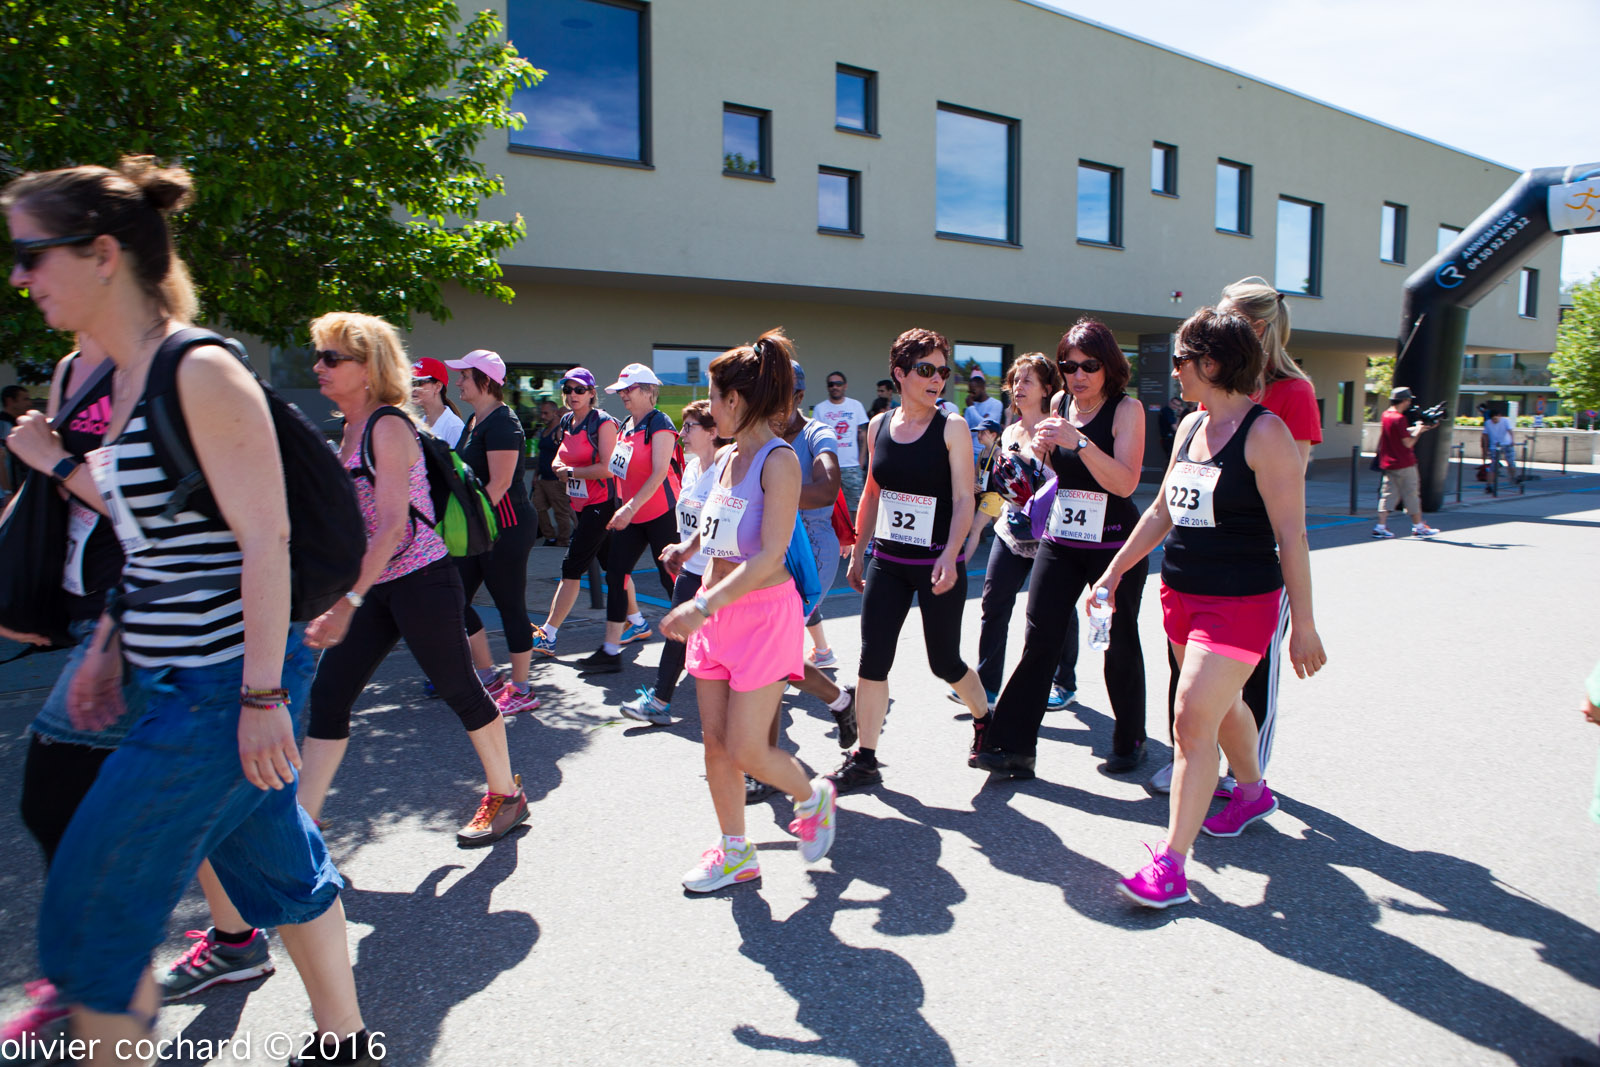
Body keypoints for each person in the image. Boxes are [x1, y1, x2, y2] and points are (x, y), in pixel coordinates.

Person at [6, 156, 378, 1066]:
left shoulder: (198, 369)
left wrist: (262, 698)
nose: (19, 276)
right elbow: (151, 542)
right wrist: (108, 641)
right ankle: (346, 1039)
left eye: (33, 254)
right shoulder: (119, 377)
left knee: (95, 911)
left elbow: (267, 540)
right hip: (164, 667)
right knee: (273, 860)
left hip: (221, 684)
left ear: (102, 254)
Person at [1091, 307, 1325, 908]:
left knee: (1191, 720)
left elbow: (1292, 536)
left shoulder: (1267, 435)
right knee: (1220, 711)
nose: (1174, 370)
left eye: (1182, 359)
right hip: (1181, 592)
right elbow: (1162, 510)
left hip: (1241, 600)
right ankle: (1253, 793)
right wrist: (1113, 573)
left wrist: (1303, 625)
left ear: (1213, 364)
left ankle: (1171, 866)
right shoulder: (1192, 425)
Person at [296, 313, 527, 843]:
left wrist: (346, 602)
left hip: (422, 580)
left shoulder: (388, 426)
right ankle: (303, 825)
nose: (318, 367)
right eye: (318, 356)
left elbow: (394, 525)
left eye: (331, 357)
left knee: (460, 689)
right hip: (376, 585)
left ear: (367, 368)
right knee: (329, 696)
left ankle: (506, 795)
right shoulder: (350, 429)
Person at [659, 330, 838, 892]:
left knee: (746, 748)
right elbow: (719, 524)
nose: (708, 409)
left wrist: (702, 603)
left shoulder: (778, 460)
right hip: (715, 616)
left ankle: (812, 796)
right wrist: (688, 549)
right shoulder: (726, 456)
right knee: (715, 744)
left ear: (734, 400)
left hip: (761, 616)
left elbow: (767, 556)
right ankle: (735, 851)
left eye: (713, 398)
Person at [973, 320, 1148, 778]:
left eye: (1089, 365)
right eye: (1069, 367)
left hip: (1113, 543)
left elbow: (1125, 483)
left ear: (1109, 365)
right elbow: (1053, 467)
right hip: (1062, 537)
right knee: (1040, 636)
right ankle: (1012, 746)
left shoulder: (1127, 410)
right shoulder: (1060, 404)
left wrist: (1080, 442)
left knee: (1118, 640)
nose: (1078, 375)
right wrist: (1037, 452)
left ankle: (1130, 739)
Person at [831, 328, 988, 793]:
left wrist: (951, 553)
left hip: (937, 563)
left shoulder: (952, 427)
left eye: (943, 371)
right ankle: (865, 757)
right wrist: (858, 551)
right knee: (872, 659)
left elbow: (965, 498)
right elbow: (872, 493)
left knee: (945, 662)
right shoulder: (879, 425)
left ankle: (986, 718)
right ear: (899, 373)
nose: (937, 379)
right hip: (888, 559)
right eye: (926, 370)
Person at [952, 353, 1080, 710]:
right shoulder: (1009, 431)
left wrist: (1049, 460)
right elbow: (1002, 486)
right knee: (994, 603)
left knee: (1057, 611)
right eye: (1015, 381)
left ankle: (1063, 682)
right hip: (1010, 532)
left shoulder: (1058, 432)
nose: (1018, 387)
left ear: (1046, 389)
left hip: (1051, 538)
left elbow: (1072, 481)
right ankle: (987, 686)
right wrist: (980, 518)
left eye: (1027, 381)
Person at [448, 349, 540, 714]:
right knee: (454, 598)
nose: (458, 382)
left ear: (484, 381)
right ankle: (488, 676)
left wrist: (464, 525)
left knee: (510, 606)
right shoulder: (475, 419)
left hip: (507, 527)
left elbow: (499, 484)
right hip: (480, 527)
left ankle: (522, 689)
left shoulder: (504, 422)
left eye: (464, 376)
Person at [618, 400, 722, 724]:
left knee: (731, 644)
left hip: (721, 573)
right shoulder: (690, 469)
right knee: (677, 633)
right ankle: (659, 701)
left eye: (689, 427)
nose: (682, 433)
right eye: (682, 426)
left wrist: (687, 548)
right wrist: (678, 548)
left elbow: (720, 523)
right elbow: (688, 520)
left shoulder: (726, 471)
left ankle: (784, 684)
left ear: (713, 432)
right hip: (691, 571)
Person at [576, 363, 679, 674]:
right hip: (631, 515)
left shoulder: (660, 422)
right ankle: (610, 650)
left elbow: (659, 472)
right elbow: (618, 471)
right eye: (620, 390)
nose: (623, 395)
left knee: (671, 579)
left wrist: (629, 508)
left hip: (661, 513)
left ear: (648, 391)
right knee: (616, 575)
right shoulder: (625, 426)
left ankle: (699, 642)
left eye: (629, 389)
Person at [531, 368, 638, 656]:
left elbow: (608, 468)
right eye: (568, 390)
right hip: (582, 504)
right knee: (614, 567)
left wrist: (571, 473)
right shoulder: (567, 421)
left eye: (579, 389)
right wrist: (558, 467)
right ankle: (638, 621)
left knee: (571, 568)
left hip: (602, 504)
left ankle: (549, 634)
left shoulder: (602, 423)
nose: (573, 395)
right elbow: (560, 456)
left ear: (592, 393)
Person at [1372, 386, 1439, 539]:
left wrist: (1418, 428)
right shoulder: (1400, 418)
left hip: (1389, 463)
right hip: (1405, 463)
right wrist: (1419, 431)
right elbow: (1408, 443)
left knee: (1387, 495)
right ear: (1404, 400)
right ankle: (1418, 526)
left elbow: (1398, 433)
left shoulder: (1386, 415)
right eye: (1408, 400)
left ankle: (1380, 526)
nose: (1409, 403)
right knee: (1412, 494)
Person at [812, 369, 870, 512]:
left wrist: (862, 458)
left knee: (856, 506)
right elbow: (815, 437)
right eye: (831, 384)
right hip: (829, 467)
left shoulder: (855, 406)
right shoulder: (820, 409)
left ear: (845, 386)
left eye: (838, 384)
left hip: (851, 465)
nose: (835, 387)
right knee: (828, 507)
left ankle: (854, 528)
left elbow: (863, 434)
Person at [531, 398, 575, 546]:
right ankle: (549, 536)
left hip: (556, 480)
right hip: (543, 478)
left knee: (561, 511)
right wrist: (535, 475)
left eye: (546, 413)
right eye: (541, 413)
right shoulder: (544, 432)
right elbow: (541, 456)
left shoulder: (560, 432)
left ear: (555, 413)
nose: (542, 416)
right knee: (537, 507)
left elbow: (568, 453)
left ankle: (563, 539)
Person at [409, 357, 465, 448]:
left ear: (438, 387)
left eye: (419, 382)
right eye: (411, 382)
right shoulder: (418, 425)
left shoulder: (454, 427)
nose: (413, 388)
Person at [0, 384, 34, 494]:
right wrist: (7, 491)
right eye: (25, 399)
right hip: (7, 492)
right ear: (10, 401)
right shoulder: (3, 425)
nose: (29, 403)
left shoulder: (17, 424)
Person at [963, 369, 1003, 461]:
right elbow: (967, 432)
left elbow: (987, 427)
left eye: (973, 391)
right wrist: (981, 423)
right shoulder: (971, 407)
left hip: (988, 453)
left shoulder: (995, 404)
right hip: (971, 452)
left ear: (983, 388)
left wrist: (972, 408)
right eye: (969, 392)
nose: (971, 395)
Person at [1481, 405, 1518, 490]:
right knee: (1493, 465)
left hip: (1506, 444)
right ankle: (1489, 484)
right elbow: (1485, 436)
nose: (1494, 421)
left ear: (1499, 416)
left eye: (1496, 419)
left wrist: (1512, 440)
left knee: (1511, 462)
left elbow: (1510, 431)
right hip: (1494, 446)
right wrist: (1486, 448)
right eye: (1493, 419)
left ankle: (1513, 478)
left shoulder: (1505, 421)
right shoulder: (1488, 423)